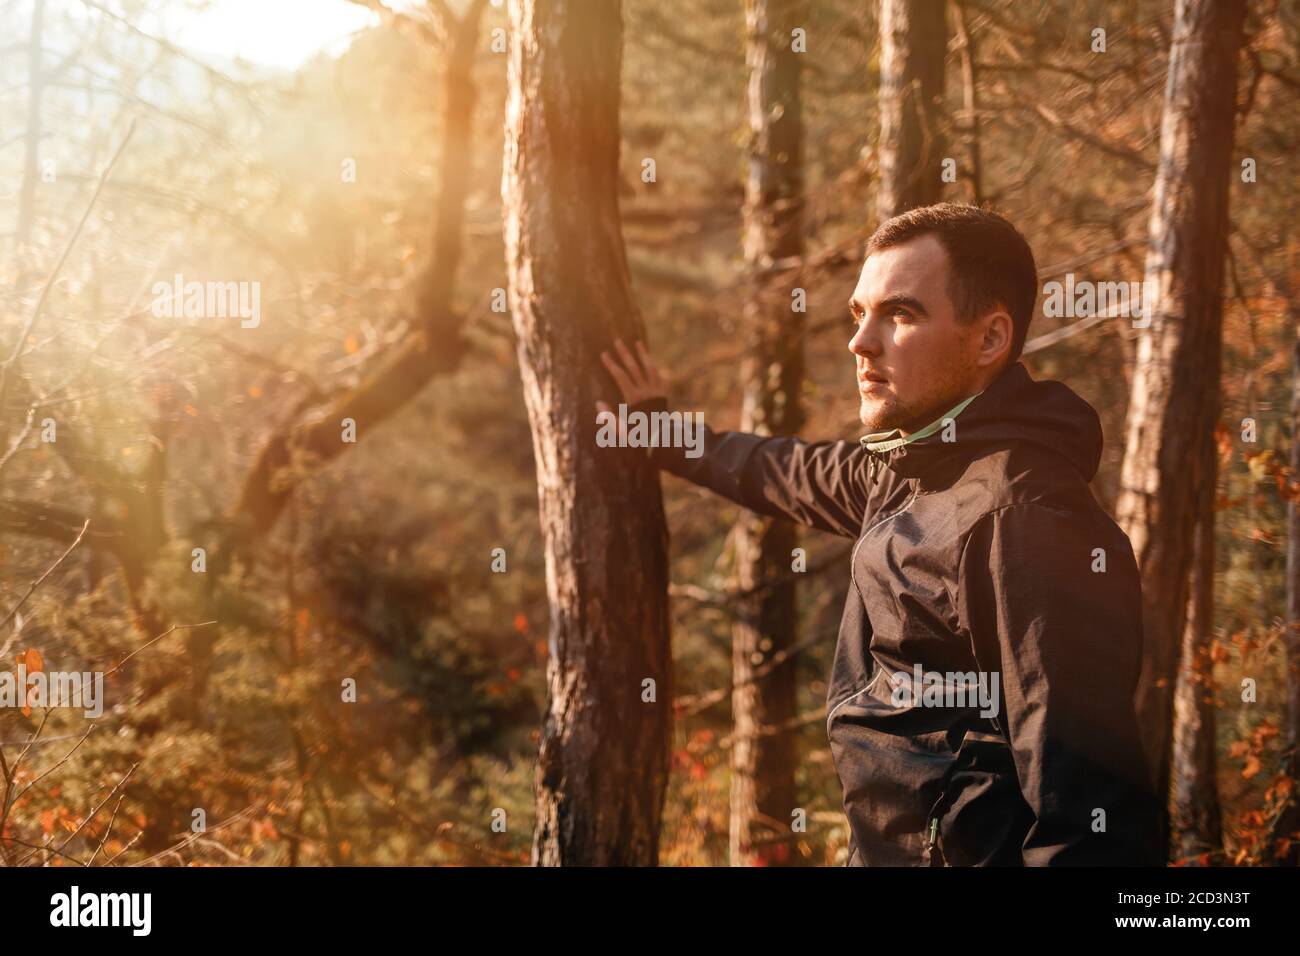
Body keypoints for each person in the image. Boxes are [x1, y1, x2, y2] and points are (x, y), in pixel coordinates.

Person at [598, 203, 1162, 866]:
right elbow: (783, 470)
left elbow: (1094, 821)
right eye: (858, 313)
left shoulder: (1024, 520)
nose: (860, 342)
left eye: (899, 314)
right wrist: (660, 431)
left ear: (989, 340)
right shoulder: (911, 470)